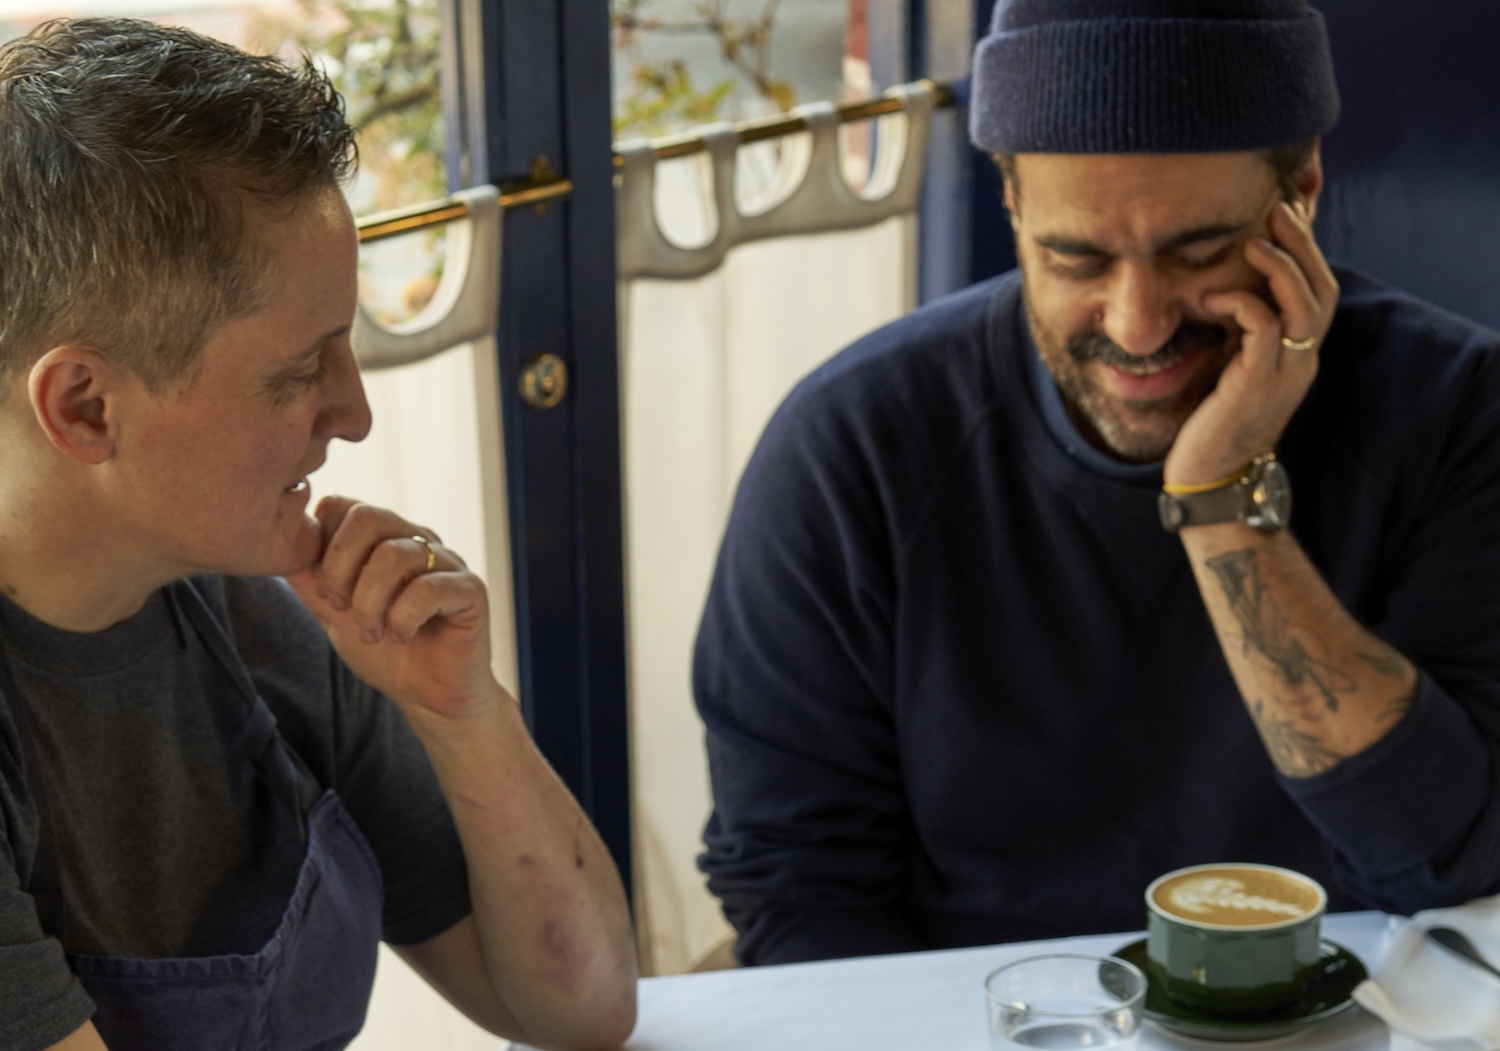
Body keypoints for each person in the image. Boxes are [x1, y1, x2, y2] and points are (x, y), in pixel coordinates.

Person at [695, 0, 1500, 966]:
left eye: (1199, 252)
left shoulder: (1458, 413)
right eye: (1075, 258)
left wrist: (1221, 499)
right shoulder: (851, 449)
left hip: (1350, 1010)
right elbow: (799, 889)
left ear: (1303, 193)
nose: (1136, 324)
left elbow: (1446, 856)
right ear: (1012, 205)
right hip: (972, 1018)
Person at [0, 18, 636, 1051]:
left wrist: (461, 713)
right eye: (299, 371)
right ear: (85, 407)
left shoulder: (247, 607)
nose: (355, 413)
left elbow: (582, 1007)